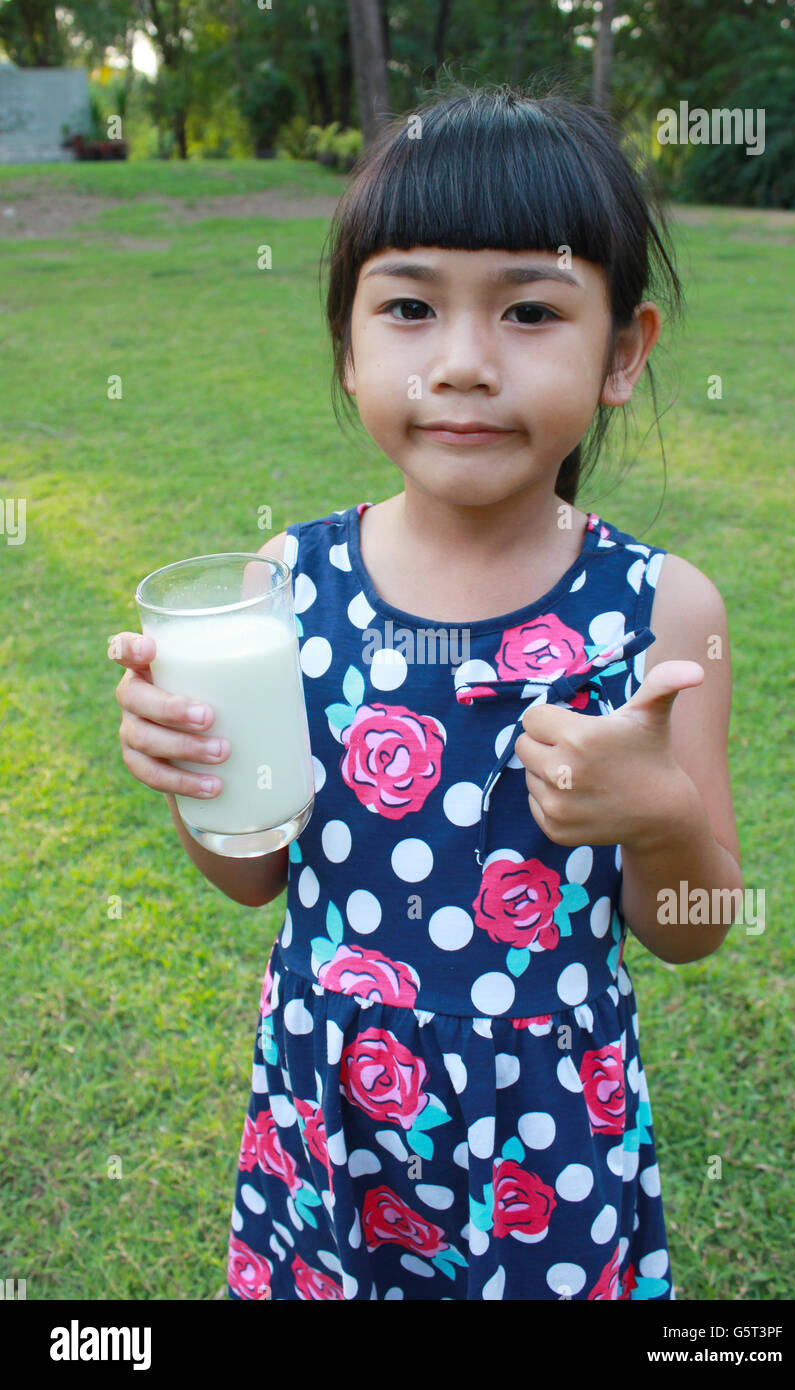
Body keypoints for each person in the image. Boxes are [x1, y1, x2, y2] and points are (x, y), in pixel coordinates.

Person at [110, 80, 744, 1301]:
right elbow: (254, 876)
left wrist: (656, 813)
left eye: (528, 310)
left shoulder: (661, 610)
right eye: (408, 307)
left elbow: (696, 924)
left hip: (547, 1128)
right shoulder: (280, 587)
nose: (461, 362)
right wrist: (194, 779)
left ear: (623, 353)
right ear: (349, 347)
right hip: (333, 1105)